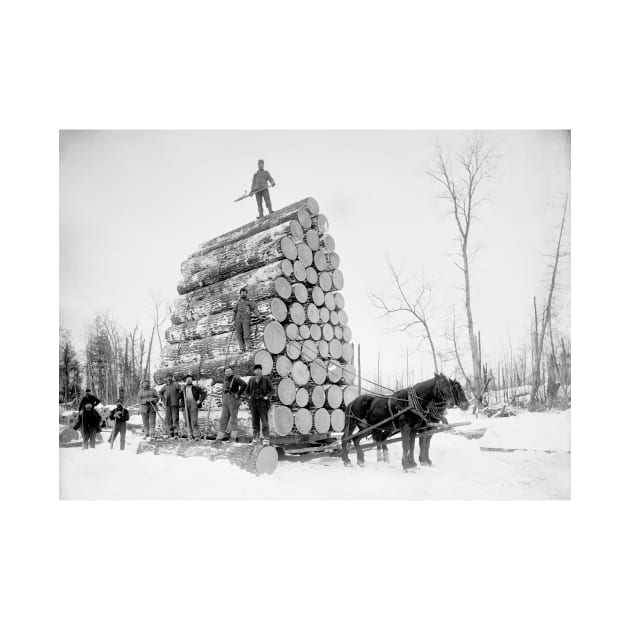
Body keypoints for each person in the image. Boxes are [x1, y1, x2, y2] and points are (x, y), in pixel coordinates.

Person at [216, 366, 247, 442]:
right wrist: (214, 381)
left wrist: (238, 394)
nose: (228, 372)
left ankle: (233, 438)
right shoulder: (225, 378)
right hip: (225, 400)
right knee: (223, 419)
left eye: (229, 371)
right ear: (225, 373)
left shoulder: (235, 378)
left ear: (232, 371)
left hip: (233, 400)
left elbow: (244, 384)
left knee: (233, 419)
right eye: (226, 371)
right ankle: (219, 438)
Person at [244, 364, 273, 445]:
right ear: (254, 371)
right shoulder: (251, 380)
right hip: (253, 403)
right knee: (255, 421)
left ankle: (266, 438)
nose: (258, 371)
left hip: (262, 403)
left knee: (264, 421)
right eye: (256, 370)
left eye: (259, 369)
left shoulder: (266, 380)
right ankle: (255, 438)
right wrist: (249, 396)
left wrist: (267, 396)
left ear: (261, 371)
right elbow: (246, 391)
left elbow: (272, 390)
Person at [179, 374, 206, 440]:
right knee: (187, 421)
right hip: (185, 404)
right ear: (185, 381)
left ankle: (196, 435)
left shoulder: (195, 387)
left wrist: (200, 400)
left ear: (192, 380)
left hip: (193, 403)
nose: (189, 380)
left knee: (194, 420)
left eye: (190, 379)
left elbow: (203, 393)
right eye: (187, 379)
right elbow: (179, 397)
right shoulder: (183, 388)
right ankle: (190, 435)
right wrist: (181, 391)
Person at [233, 287, 259, 352]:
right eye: (242, 293)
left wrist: (259, 315)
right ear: (240, 294)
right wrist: (233, 320)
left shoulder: (249, 302)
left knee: (246, 332)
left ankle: (249, 346)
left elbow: (254, 309)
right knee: (239, 334)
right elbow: (234, 311)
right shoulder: (237, 303)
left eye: (245, 293)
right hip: (238, 320)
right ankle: (242, 348)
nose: (243, 294)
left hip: (246, 319)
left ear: (247, 294)